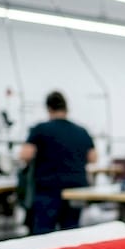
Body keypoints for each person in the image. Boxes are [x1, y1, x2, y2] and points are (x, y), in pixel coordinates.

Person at [18, 91, 96, 234]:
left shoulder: (40, 129)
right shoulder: (81, 131)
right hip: (75, 191)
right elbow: (93, 158)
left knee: (44, 236)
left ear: (48, 108)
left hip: (49, 191)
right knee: (70, 235)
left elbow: (25, 155)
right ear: (66, 108)